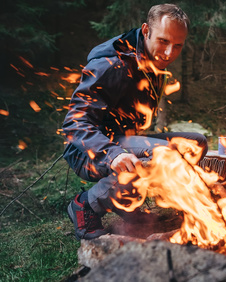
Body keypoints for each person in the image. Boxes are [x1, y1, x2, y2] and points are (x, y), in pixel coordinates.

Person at [63, 4, 208, 240]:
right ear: (145, 31)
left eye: (178, 45)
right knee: (164, 155)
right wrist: (112, 154)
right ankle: (86, 205)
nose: (170, 53)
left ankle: (125, 202)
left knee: (196, 143)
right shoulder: (113, 64)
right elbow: (74, 123)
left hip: (120, 141)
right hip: (89, 152)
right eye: (163, 41)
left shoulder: (149, 59)